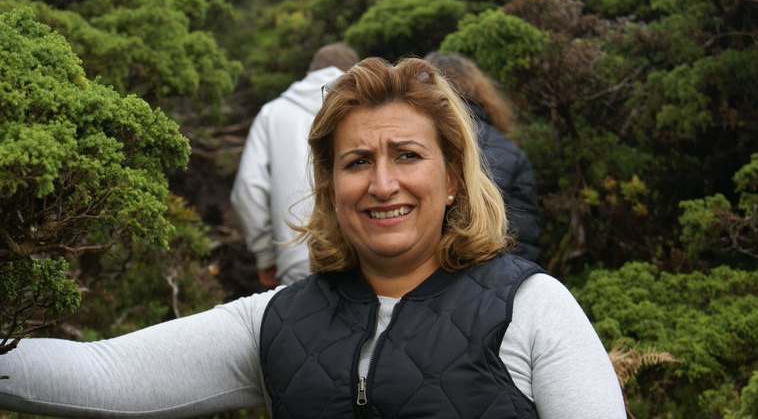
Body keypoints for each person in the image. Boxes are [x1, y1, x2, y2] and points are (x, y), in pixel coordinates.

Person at [0, 57, 626, 418]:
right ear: (329, 189)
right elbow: (100, 375)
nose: (383, 184)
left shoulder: (534, 307)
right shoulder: (276, 321)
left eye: (407, 155)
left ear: (456, 179)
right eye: (356, 163)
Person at [230, 42, 359, 287]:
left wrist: (264, 256)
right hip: (361, 252)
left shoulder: (272, 113)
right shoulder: (363, 108)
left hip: (296, 258)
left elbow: (248, 188)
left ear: (308, 75)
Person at [424, 51, 542, 262]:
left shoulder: (414, 141)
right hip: (492, 278)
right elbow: (524, 243)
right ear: (479, 91)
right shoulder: (513, 155)